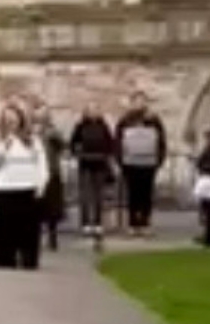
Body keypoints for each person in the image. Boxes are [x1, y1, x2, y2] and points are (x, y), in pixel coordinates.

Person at [0, 105, 48, 270]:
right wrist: (5, 145)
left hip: (28, 186)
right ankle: (5, 258)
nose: (11, 122)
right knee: (6, 225)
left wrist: (41, 184)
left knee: (29, 227)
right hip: (6, 186)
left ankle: (29, 259)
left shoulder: (32, 139)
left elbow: (41, 163)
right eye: (7, 119)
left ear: (20, 119)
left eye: (14, 118)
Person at [115, 92, 166, 235]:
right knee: (133, 194)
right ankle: (133, 223)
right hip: (130, 163)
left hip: (149, 163)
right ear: (132, 103)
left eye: (142, 101)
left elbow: (161, 141)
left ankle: (145, 222)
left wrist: (159, 160)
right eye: (137, 101)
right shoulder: (125, 120)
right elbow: (118, 141)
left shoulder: (154, 120)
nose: (140, 104)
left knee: (146, 195)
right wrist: (120, 160)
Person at [69, 103, 116, 243]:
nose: (93, 112)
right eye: (90, 110)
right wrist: (78, 154)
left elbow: (110, 143)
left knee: (98, 195)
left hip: (100, 164)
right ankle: (85, 223)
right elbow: (73, 143)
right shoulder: (80, 126)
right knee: (85, 195)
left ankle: (97, 222)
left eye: (96, 109)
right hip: (85, 164)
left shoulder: (104, 126)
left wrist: (107, 156)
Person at [35, 110, 67, 252]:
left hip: (52, 172)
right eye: (39, 118)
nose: (42, 121)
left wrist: (55, 137)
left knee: (52, 207)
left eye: (44, 118)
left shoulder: (53, 133)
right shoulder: (32, 133)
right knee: (37, 207)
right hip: (36, 174)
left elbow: (64, 146)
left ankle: (52, 235)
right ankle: (37, 235)